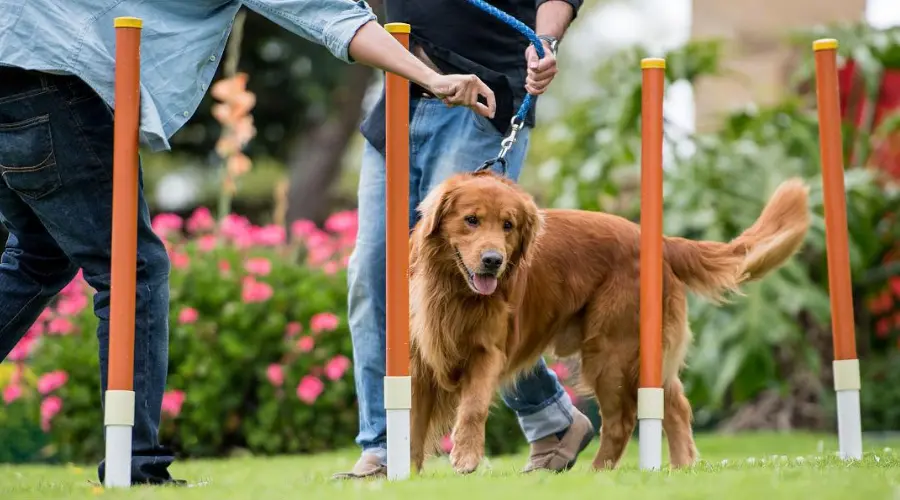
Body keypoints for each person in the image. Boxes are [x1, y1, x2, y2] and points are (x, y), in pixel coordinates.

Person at [0, 0, 496, 486]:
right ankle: (136, 467)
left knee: (39, 256)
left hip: (14, 50)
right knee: (132, 268)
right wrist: (432, 78)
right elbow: (332, 17)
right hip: (46, 72)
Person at [338, 0, 592, 480]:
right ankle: (383, 442)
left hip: (483, 102)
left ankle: (534, 420)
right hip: (399, 93)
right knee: (372, 274)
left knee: (473, 290)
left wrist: (547, 42)